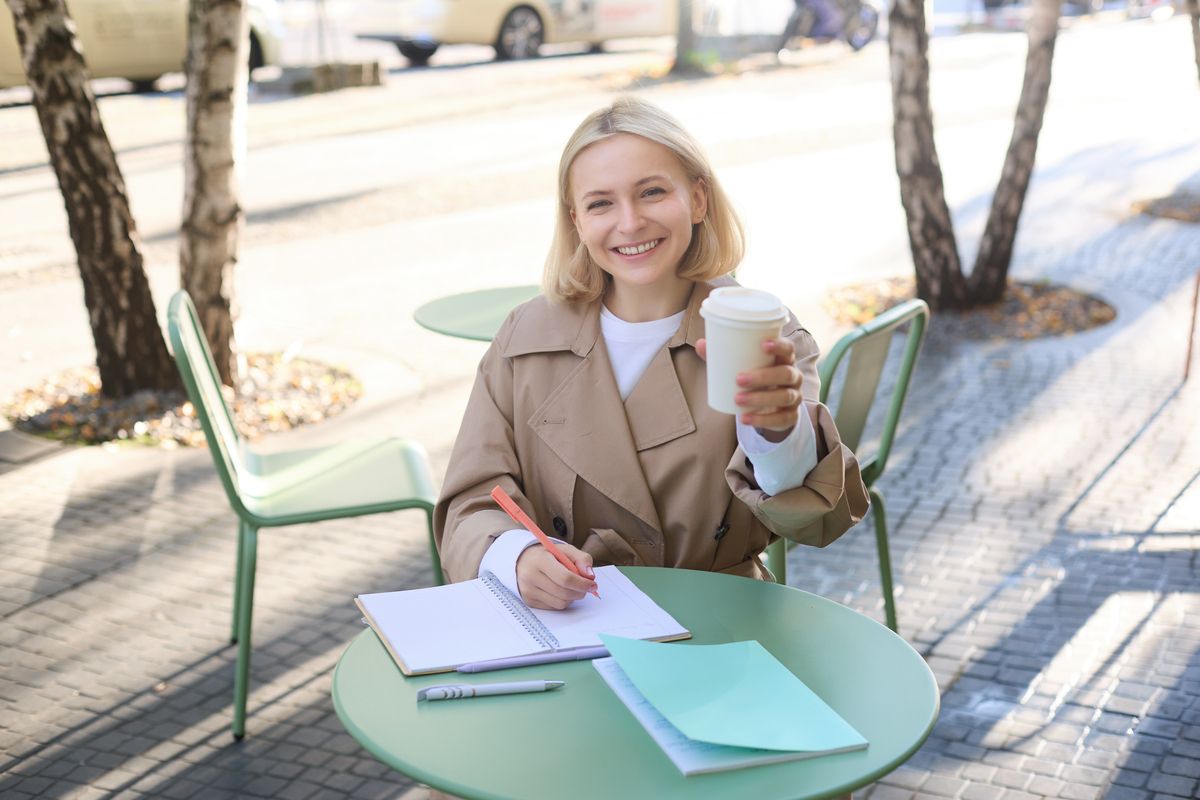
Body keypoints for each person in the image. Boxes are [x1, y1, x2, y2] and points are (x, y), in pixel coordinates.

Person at [434, 96, 868, 610]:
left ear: (698, 199)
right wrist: (516, 556)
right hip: (566, 620)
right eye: (600, 203)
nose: (630, 222)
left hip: (716, 618)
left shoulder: (760, 332)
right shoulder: (524, 336)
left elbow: (811, 519)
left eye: (652, 192)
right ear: (576, 221)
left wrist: (779, 433)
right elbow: (470, 500)